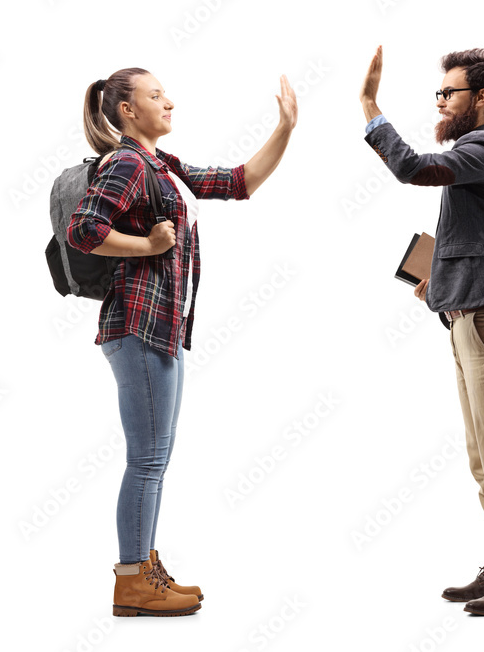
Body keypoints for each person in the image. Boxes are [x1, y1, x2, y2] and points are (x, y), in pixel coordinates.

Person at [67, 67, 297, 617]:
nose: (169, 102)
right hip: (138, 327)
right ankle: (131, 582)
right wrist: (146, 245)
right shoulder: (127, 162)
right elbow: (84, 228)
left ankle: (143, 567)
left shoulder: (161, 166)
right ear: (127, 110)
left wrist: (285, 127)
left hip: (160, 329)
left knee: (155, 459)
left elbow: (237, 182)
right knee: (146, 461)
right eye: (155, 95)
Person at [359, 46, 484, 616]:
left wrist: (370, 107)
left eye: (449, 93)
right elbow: (475, 241)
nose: (440, 102)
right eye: (438, 93)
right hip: (469, 316)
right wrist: (439, 285)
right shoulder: (477, 154)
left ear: (481, 98)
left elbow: (413, 167)